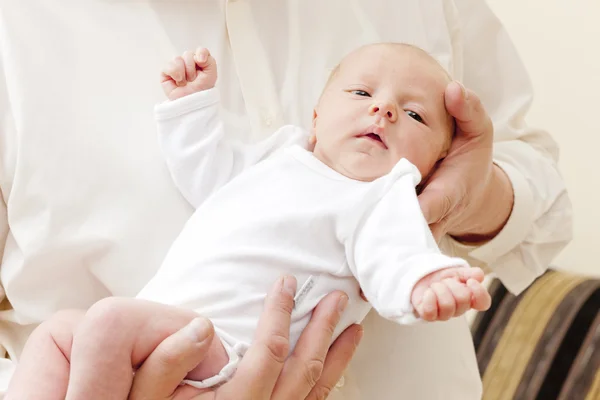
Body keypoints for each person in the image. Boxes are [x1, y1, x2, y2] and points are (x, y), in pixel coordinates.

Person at [0, 1, 572, 399]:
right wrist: (189, 109)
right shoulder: (278, 160)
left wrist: (434, 266)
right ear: (317, 120)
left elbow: (394, 258)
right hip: (158, 353)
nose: (385, 111)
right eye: (362, 93)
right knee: (61, 337)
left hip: (218, 347)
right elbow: (208, 170)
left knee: (104, 323)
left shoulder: (383, 200)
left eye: (416, 114)